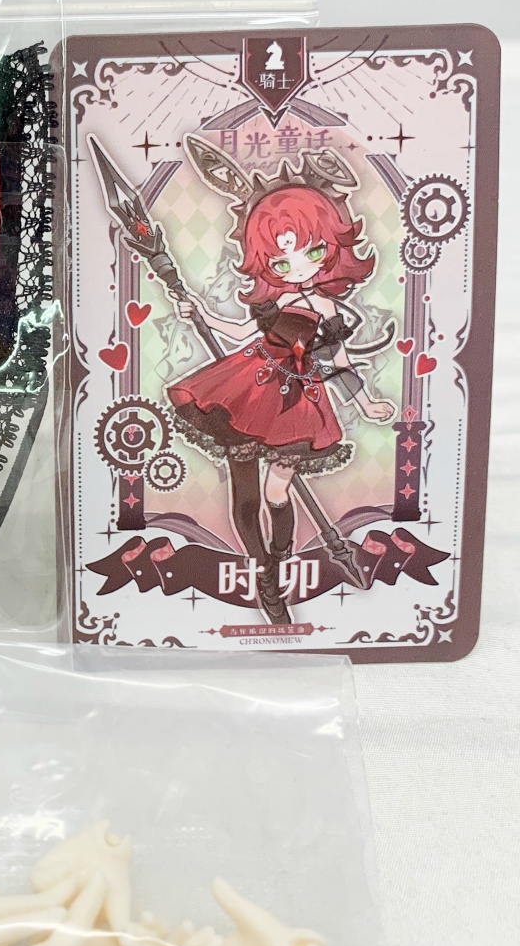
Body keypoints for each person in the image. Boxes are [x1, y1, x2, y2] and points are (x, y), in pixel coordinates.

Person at [166, 146, 395, 624]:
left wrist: (366, 403)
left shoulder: (329, 311)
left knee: (277, 491)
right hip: (248, 389)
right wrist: (198, 314)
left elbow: (338, 362)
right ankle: (265, 573)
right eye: (281, 258)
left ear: (331, 249)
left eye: (311, 251)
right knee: (246, 497)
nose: (299, 266)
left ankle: (279, 552)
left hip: (297, 404)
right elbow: (239, 333)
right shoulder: (274, 304)